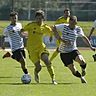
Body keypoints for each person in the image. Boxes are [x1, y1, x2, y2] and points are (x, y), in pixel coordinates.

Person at [52, 15, 95, 83]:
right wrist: (60, 39)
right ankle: (81, 77)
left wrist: (91, 47)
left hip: (73, 50)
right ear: (69, 22)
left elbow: (84, 37)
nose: (72, 25)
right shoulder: (64, 26)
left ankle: (83, 69)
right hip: (64, 53)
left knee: (82, 61)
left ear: (76, 23)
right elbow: (53, 28)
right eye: (71, 23)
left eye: (74, 23)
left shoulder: (78, 29)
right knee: (73, 70)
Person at [23, 10, 57, 84]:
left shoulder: (45, 27)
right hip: (31, 49)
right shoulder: (31, 25)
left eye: (40, 18)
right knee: (39, 67)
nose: (38, 20)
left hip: (41, 47)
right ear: (35, 18)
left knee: (47, 61)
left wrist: (51, 36)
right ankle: (36, 72)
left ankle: (53, 79)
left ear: (43, 19)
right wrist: (23, 34)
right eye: (37, 18)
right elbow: (22, 30)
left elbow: (51, 31)